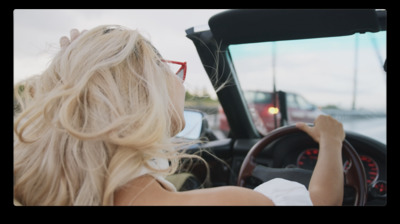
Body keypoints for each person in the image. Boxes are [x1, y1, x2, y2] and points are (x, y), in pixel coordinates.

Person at [14, 25, 345, 206]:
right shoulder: (236, 202)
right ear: (148, 86)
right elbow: (321, 200)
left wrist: (70, 77)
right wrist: (332, 141)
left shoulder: (41, 192)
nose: (179, 80)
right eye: (172, 68)